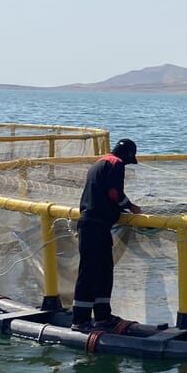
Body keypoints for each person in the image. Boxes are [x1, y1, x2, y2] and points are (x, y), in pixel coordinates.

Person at [71, 138, 143, 332]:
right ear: (127, 154)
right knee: (90, 272)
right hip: (94, 225)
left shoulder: (100, 162)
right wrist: (130, 206)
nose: (129, 163)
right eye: (130, 159)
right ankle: (80, 321)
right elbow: (113, 192)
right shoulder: (116, 163)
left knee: (104, 270)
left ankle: (102, 316)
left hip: (97, 225)